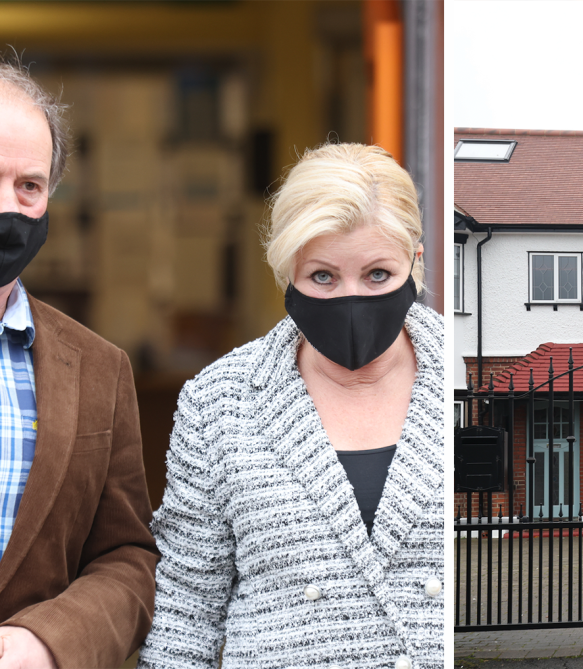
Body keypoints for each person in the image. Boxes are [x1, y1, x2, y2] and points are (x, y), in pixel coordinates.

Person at [139, 144, 443, 669]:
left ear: (414, 263)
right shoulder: (220, 401)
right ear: (287, 274)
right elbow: (185, 608)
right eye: (323, 276)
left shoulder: (459, 376)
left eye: (377, 275)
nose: (351, 298)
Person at [0, 60, 157, 668]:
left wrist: (52, 642)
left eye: (30, 187)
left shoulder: (101, 368)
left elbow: (127, 557)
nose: (5, 208)